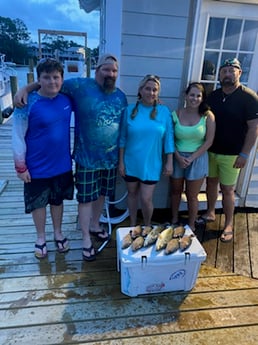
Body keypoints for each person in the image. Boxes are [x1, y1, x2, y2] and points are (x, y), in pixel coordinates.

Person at [14, 54, 127, 261]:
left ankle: (93, 225)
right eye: (106, 69)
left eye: (114, 70)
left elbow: (122, 132)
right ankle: (84, 238)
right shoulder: (79, 87)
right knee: (84, 199)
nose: (110, 73)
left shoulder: (120, 96)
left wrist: (120, 160)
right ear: (97, 70)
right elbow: (50, 82)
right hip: (85, 158)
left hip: (107, 160)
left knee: (100, 195)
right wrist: (24, 89)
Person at [12, 58, 74, 259]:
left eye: (56, 77)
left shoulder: (67, 98)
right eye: (46, 78)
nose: (52, 82)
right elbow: (17, 135)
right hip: (35, 166)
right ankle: (40, 237)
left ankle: (58, 232)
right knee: (38, 204)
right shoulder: (26, 103)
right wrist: (20, 167)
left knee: (57, 201)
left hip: (62, 164)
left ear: (62, 79)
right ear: (39, 79)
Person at [201, 58, 258, 242]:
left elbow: (254, 128)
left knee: (227, 190)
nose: (227, 74)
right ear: (220, 74)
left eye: (231, 71)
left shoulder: (249, 97)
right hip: (211, 151)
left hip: (233, 155)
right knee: (210, 184)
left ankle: (228, 224)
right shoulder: (214, 96)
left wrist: (244, 153)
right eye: (224, 71)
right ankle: (210, 212)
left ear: (239, 73)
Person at [119, 75, 174, 227]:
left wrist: (169, 162)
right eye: (148, 89)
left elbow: (169, 138)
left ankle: (147, 226)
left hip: (152, 163)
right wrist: (121, 162)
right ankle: (133, 223)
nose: (151, 92)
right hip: (131, 162)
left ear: (158, 92)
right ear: (140, 90)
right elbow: (122, 138)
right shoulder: (129, 110)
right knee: (131, 194)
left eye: (155, 90)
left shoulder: (164, 112)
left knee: (146, 198)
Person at [170, 82, 215, 231]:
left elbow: (209, 141)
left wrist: (191, 158)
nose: (194, 98)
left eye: (198, 96)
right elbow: (170, 139)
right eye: (192, 95)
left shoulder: (207, 116)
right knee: (176, 191)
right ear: (186, 96)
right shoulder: (176, 114)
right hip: (178, 158)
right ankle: (174, 219)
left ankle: (191, 224)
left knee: (192, 195)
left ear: (202, 98)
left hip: (197, 158)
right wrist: (177, 156)